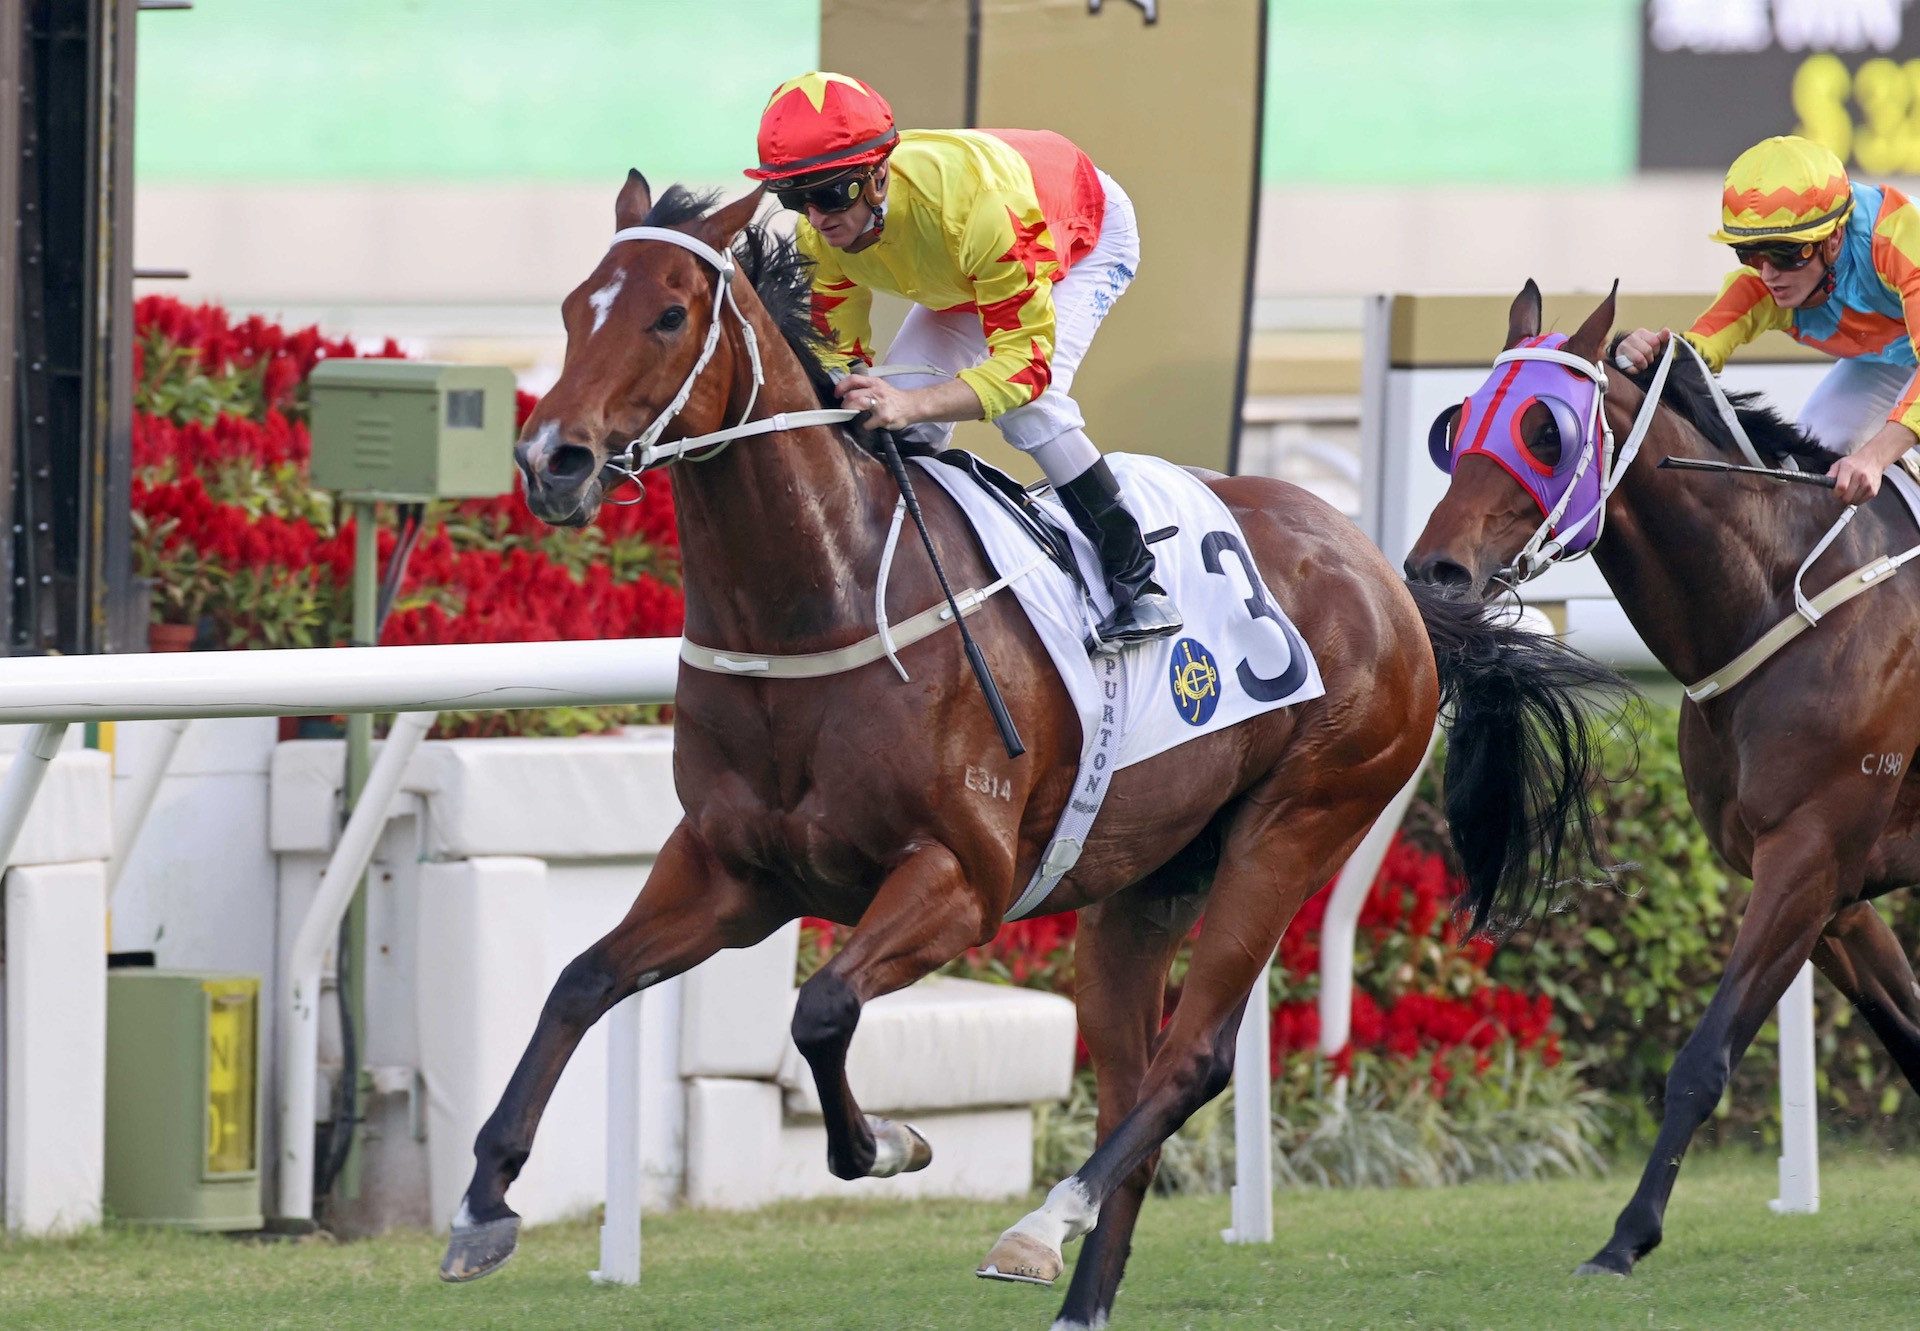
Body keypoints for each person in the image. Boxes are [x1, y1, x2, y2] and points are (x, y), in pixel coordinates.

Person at [744, 71, 1181, 652]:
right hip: (963, 272)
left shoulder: (978, 209)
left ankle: (1138, 581)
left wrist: (911, 401)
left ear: (878, 177)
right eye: (795, 198)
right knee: (892, 424)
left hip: (1079, 237)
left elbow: (1024, 370)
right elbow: (840, 360)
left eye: (829, 194)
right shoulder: (819, 237)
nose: (817, 218)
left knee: (1031, 409)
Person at [1616, 135, 1920, 505]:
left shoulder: (1898, 238)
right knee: (1816, 457)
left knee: (1870, 456)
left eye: (1785, 253)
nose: (1769, 274)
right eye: (1751, 254)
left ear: (1834, 238)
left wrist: (1875, 456)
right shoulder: (1758, 286)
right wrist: (1643, 355)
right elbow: (1694, 351)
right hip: (1891, 361)